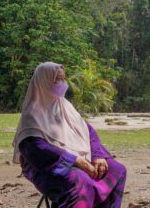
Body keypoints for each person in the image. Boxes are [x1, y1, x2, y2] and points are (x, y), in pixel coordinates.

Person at [12, 62, 126, 208]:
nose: (62, 84)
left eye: (63, 79)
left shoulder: (65, 106)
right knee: (79, 181)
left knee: (117, 170)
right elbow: (35, 150)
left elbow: (88, 132)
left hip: (81, 160)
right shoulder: (32, 114)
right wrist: (76, 161)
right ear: (44, 82)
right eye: (56, 80)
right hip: (46, 166)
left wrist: (98, 156)